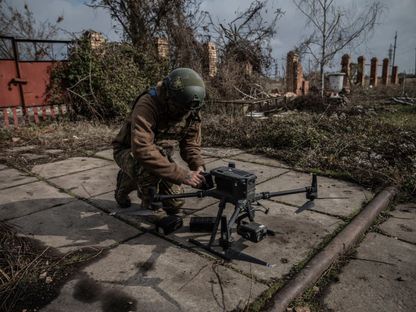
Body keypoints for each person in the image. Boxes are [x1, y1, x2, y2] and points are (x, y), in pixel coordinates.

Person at [112, 68, 206, 217]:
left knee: (175, 204)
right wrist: (182, 175)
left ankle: (129, 178)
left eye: (186, 110)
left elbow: (190, 144)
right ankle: (149, 205)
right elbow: (142, 150)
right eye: (179, 109)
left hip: (160, 154)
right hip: (129, 151)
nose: (183, 114)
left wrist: (198, 166)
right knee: (148, 172)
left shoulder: (190, 107)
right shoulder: (148, 104)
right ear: (169, 96)